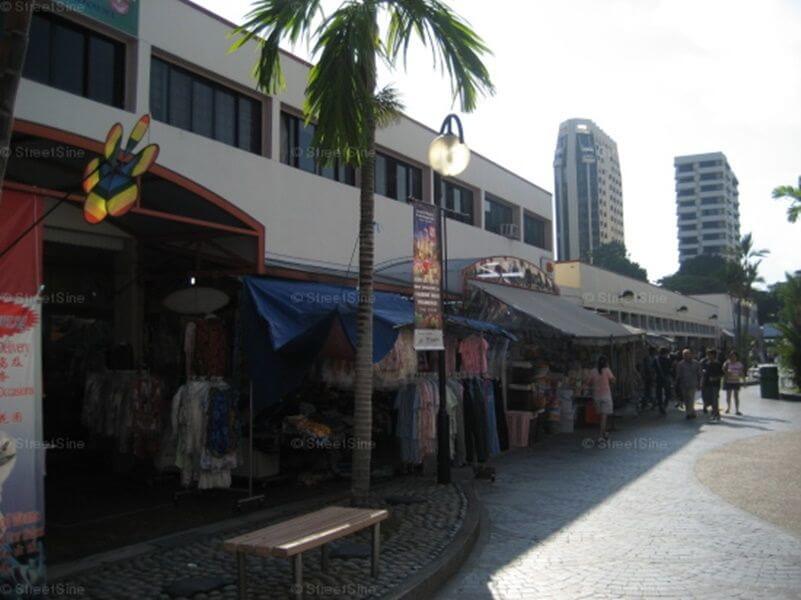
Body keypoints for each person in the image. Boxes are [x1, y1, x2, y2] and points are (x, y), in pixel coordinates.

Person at [589, 355, 615, 441]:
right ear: (606, 362)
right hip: (606, 396)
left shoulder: (593, 371)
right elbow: (613, 380)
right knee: (604, 417)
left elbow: (589, 382)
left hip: (596, 396)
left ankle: (604, 433)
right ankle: (601, 435)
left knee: (601, 417)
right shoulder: (607, 370)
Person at [675, 348, 702, 419]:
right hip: (683, 384)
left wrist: (700, 383)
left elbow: (699, 374)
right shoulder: (680, 364)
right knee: (686, 398)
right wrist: (677, 383)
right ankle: (692, 411)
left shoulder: (696, 363)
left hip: (692, 383)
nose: (686, 356)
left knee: (691, 398)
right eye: (684, 355)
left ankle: (688, 413)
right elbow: (678, 374)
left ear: (691, 355)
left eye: (687, 354)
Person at [701, 349, 723, 422]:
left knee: (715, 399)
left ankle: (716, 413)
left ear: (713, 355)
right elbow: (705, 374)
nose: (708, 356)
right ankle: (713, 413)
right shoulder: (706, 363)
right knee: (709, 398)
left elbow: (721, 374)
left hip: (715, 384)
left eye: (709, 354)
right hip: (707, 384)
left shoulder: (718, 364)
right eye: (708, 354)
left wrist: (715, 378)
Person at [723, 351, 745, 415]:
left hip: (736, 381)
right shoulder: (727, 363)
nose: (733, 357)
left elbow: (742, 373)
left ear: (736, 357)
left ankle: (737, 410)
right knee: (728, 396)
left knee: (736, 396)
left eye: (734, 356)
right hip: (728, 381)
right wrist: (727, 372)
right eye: (731, 356)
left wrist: (744, 381)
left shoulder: (739, 364)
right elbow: (723, 369)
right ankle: (728, 408)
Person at [654, 347, 673, 415]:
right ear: (665, 353)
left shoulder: (656, 360)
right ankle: (664, 405)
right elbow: (670, 369)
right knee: (668, 393)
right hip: (666, 378)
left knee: (659, 393)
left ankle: (661, 406)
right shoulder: (667, 360)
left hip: (658, 378)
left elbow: (653, 369)